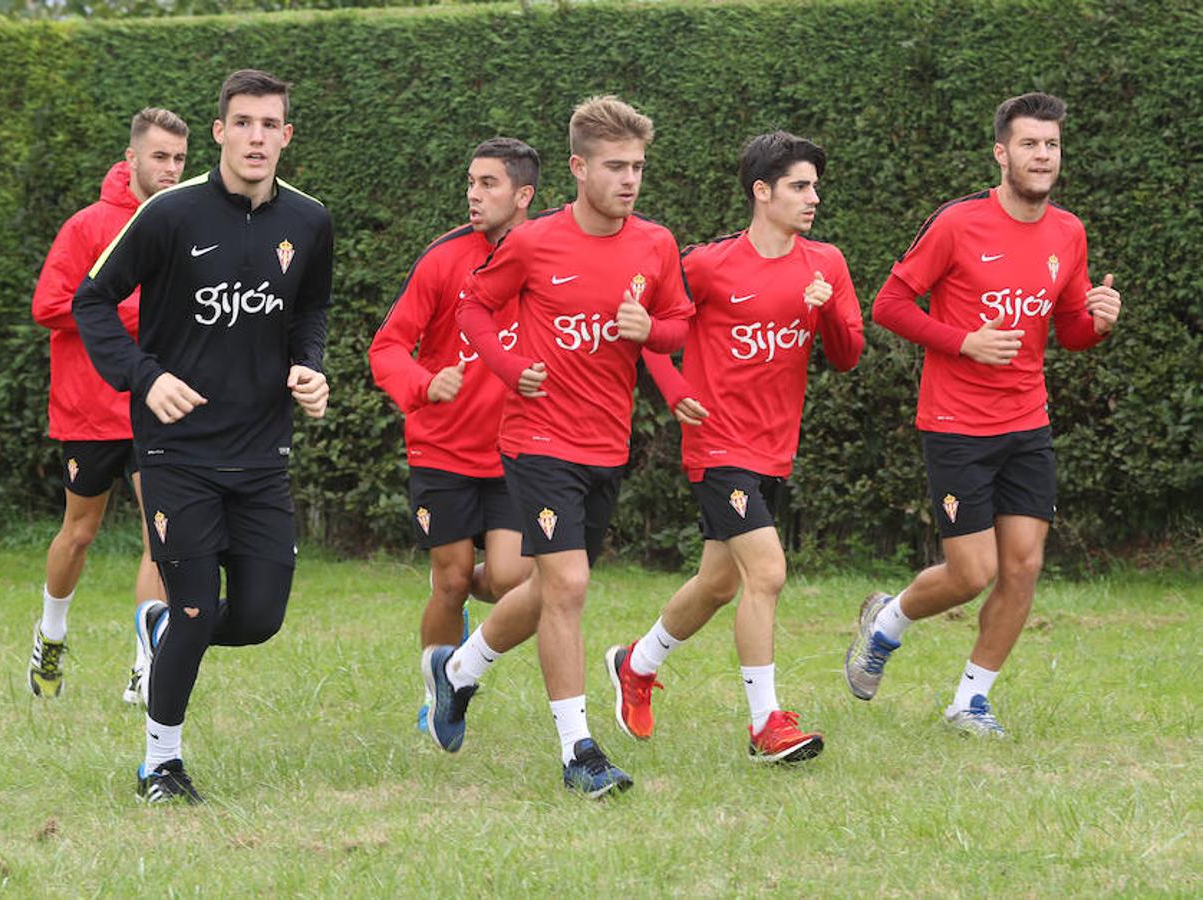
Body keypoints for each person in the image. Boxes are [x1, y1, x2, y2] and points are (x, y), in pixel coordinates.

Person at [73, 69, 333, 803]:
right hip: (174, 448)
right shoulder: (169, 214)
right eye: (242, 122)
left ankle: (164, 634)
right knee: (194, 604)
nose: (256, 136)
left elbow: (310, 311)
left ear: (286, 134)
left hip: (260, 450)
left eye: (270, 124)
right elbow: (91, 299)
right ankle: (160, 763)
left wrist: (308, 369)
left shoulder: (310, 222)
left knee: (255, 617)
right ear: (218, 132)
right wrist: (143, 375)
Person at [422, 95, 693, 798]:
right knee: (569, 585)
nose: (629, 179)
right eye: (614, 166)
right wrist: (511, 371)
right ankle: (579, 751)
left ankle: (457, 673)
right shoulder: (535, 242)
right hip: (537, 438)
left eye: (637, 166)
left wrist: (650, 331)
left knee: (547, 586)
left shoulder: (656, 245)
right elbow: (473, 306)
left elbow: (680, 325)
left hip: (607, 442)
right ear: (578, 167)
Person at [844, 92, 1121, 736]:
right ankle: (887, 622)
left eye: (1051, 145)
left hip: (1027, 421)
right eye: (1029, 144)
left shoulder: (1068, 231)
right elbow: (889, 304)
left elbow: (1072, 330)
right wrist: (962, 340)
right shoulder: (957, 224)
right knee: (972, 573)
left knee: (1023, 565)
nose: (1042, 155)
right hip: (955, 424)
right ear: (1002, 153)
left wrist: (1098, 322)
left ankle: (970, 700)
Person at [609, 131, 863, 762]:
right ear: (762, 191)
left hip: (774, 448)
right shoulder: (707, 265)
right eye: (800, 186)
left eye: (814, 186)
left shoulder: (825, 263)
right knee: (769, 572)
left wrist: (826, 310)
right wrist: (672, 389)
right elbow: (648, 328)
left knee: (718, 584)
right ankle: (765, 724)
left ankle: (636, 665)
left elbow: (848, 354)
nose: (814, 198)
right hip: (717, 445)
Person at [368, 138, 539, 730]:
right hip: (441, 448)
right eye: (471, 181)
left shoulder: (549, 258)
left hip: (516, 451)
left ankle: (460, 664)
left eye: (488, 183)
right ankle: (436, 697)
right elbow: (386, 349)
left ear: (524, 195)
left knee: (515, 579)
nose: (473, 193)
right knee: (449, 579)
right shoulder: (443, 260)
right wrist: (422, 383)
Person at [28, 108, 188, 703]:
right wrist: (131, 313)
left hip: (158, 409)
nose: (170, 170)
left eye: (178, 159)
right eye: (160, 158)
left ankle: (145, 668)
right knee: (80, 532)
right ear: (132, 159)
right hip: (90, 411)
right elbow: (48, 305)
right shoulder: (88, 226)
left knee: (161, 536)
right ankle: (51, 634)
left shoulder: (187, 225)